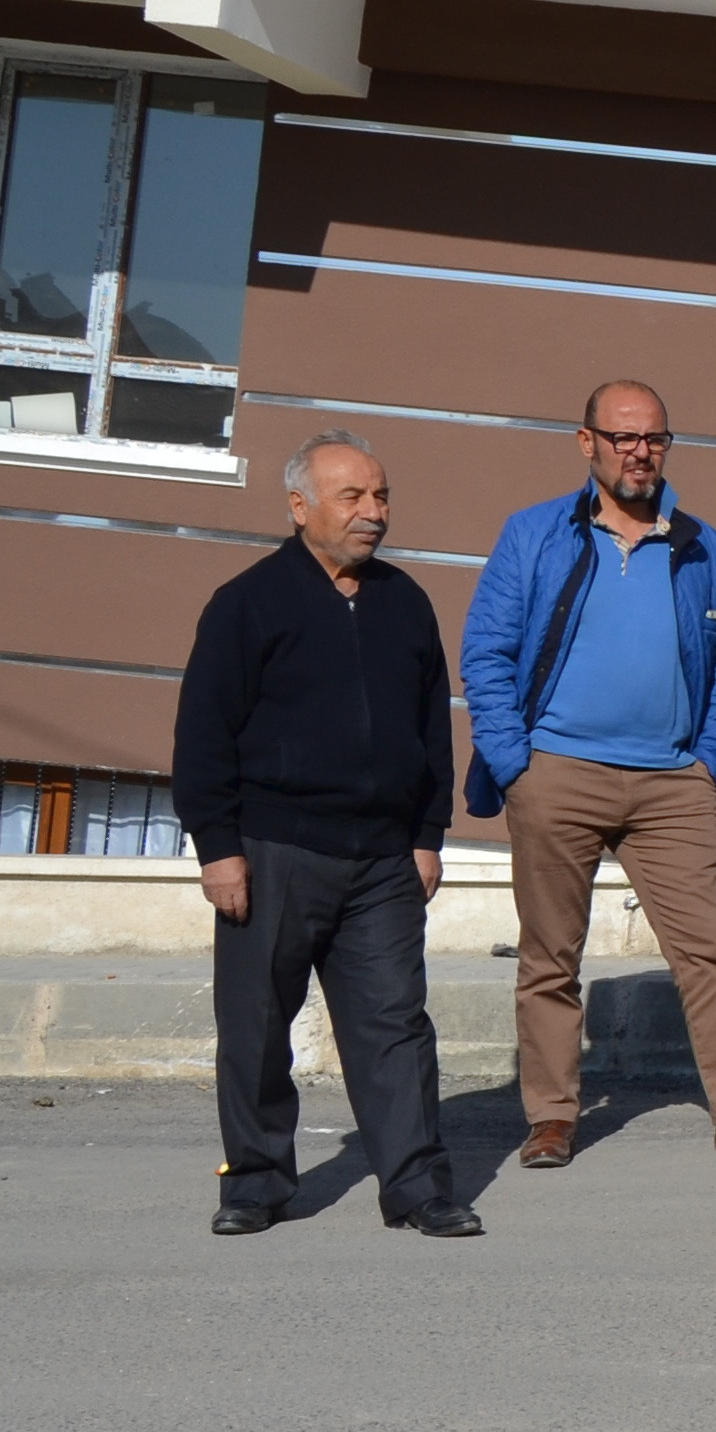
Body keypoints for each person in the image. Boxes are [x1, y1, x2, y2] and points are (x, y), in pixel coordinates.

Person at [178, 431, 478, 1241]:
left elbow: (431, 727)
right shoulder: (248, 603)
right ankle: (255, 1183)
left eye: (381, 496)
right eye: (353, 497)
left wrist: (427, 833)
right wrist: (218, 848)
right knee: (256, 1027)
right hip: (274, 850)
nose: (373, 512)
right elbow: (203, 734)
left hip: (383, 859)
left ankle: (417, 1188)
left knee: (395, 1026)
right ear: (299, 506)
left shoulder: (404, 602)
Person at [458, 380, 716, 1169]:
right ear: (586, 442)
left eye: (654, 438)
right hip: (556, 772)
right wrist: (514, 763)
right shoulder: (534, 533)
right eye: (624, 437)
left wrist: (711, 762)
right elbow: (486, 652)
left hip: (671, 782)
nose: (640, 452)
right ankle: (552, 1117)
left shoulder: (700, 544)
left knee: (709, 949)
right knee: (550, 957)